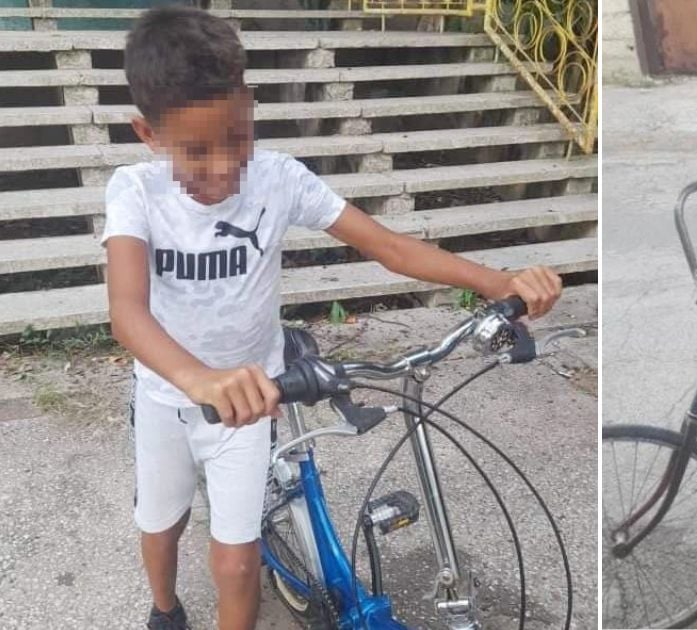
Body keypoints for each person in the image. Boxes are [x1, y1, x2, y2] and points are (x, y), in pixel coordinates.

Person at [102, 7, 563, 629]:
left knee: (238, 567)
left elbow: (391, 247)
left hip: (254, 400)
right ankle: (164, 607)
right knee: (162, 523)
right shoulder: (134, 192)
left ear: (252, 105)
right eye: (195, 151)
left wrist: (498, 281)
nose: (222, 168)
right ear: (147, 135)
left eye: (238, 138)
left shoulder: (280, 178)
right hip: (166, 397)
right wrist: (198, 379)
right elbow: (127, 311)